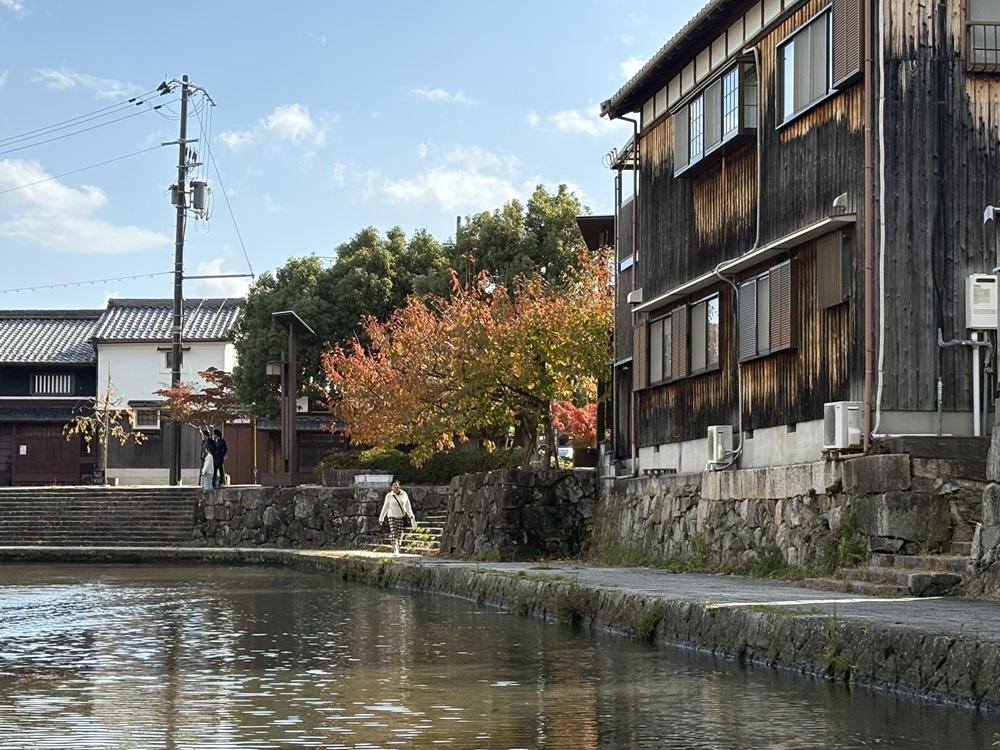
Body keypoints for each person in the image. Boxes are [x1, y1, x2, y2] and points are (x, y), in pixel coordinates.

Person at [378, 480, 417, 554]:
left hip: (401, 516)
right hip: (391, 516)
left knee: (399, 532)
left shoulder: (404, 494)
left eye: (397, 485)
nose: (396, 486)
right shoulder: (389, 496)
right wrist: (381, 518)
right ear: (391, 487)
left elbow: (407, 505)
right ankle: (395, 547)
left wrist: (410, 514)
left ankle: (398, 545)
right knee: (394, 532)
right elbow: (385, 507)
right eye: (394, 485)